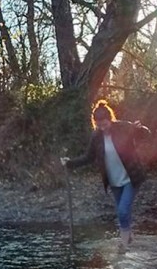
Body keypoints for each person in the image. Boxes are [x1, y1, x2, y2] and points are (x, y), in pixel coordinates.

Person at [61, 99, 150, 249]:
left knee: (122, 210)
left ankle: (124, 244)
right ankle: (129, 238)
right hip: (114, 181)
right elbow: (88, 157)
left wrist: (141, 129)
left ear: (110, 119)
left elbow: (145, 135)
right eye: (99, 125)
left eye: (105, 124)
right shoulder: (96, 137)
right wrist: (70, 163)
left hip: (131, 177)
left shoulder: (122, 127)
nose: (102, 127)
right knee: (123, 210)